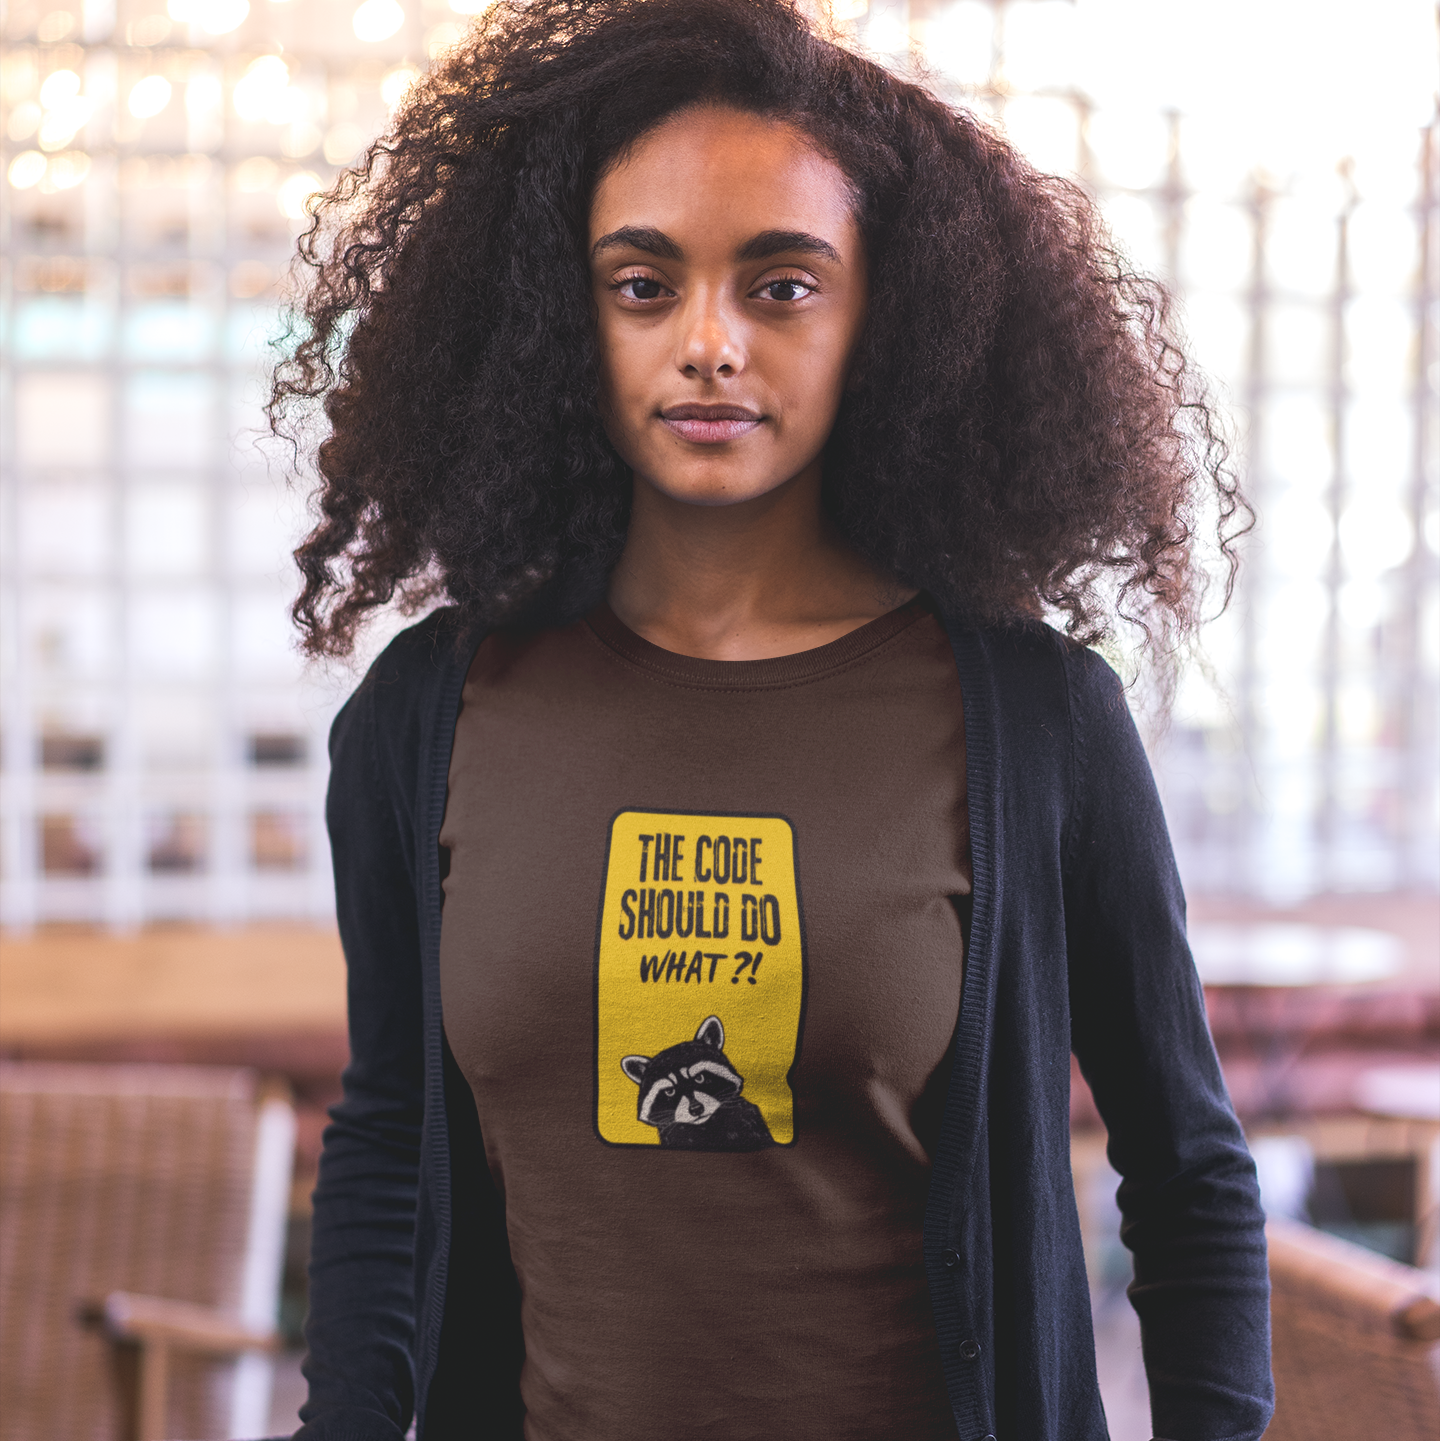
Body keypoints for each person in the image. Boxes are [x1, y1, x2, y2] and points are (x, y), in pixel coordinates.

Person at [271, 1, 1272, 1438]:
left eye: (781, 285)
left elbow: (1188, 1173)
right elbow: (387, 1143)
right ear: (565, 318)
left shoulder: (1037, 726)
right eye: (641, 284)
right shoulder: (427, 717)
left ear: (888, 319)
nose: (708, 345)